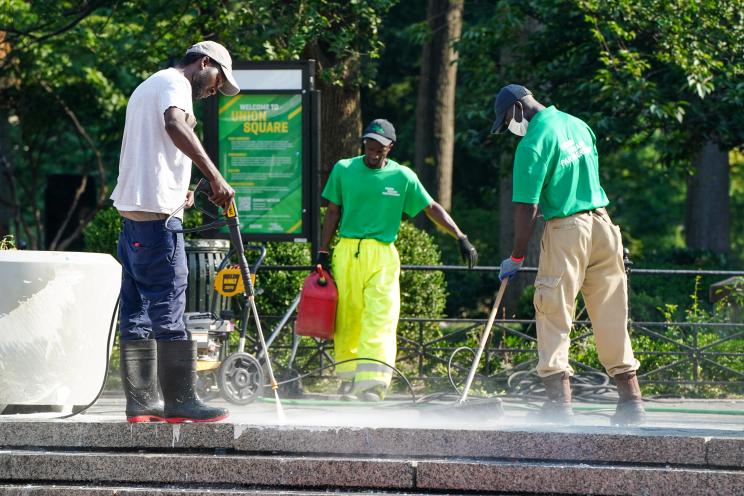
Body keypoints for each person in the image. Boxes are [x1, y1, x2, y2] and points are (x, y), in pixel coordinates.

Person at [491, 84, 645, 426]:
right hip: (605, 226)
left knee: (553, 310)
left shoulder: (532, 144)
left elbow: (526, 207)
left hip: (567, 229)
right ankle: (631, 401)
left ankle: (559, 404)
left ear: (518, 109)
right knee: (611, 313)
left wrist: (516, 257)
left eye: (508, 122)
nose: (512, 131)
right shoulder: (578, 124)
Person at [110, 41, 239, 423]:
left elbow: (155, 147)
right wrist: (213, 176)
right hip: (157, 219)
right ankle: (181, 401)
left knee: (135, 309)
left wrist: (178, 186)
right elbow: (173, 124)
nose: (216, 88)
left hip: (135, 212)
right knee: (169, 301)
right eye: (218, 78)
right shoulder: (175, 84)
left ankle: (141, 403)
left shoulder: (148, 84)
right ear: (204, 63)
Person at [318, 118, 478, 402]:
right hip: (347, 251)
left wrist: (461, 236)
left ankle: (373, 385)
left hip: (382, 253)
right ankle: (349, 379)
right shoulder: (343, 169)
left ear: (390, 147)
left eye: (379, 146)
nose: (373, 150)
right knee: (348, 318)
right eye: (369, 143)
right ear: (364, 142)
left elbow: (431, 207)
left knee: (380, 317)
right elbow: (332, 211)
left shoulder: (402, 177)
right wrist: (322, 251)